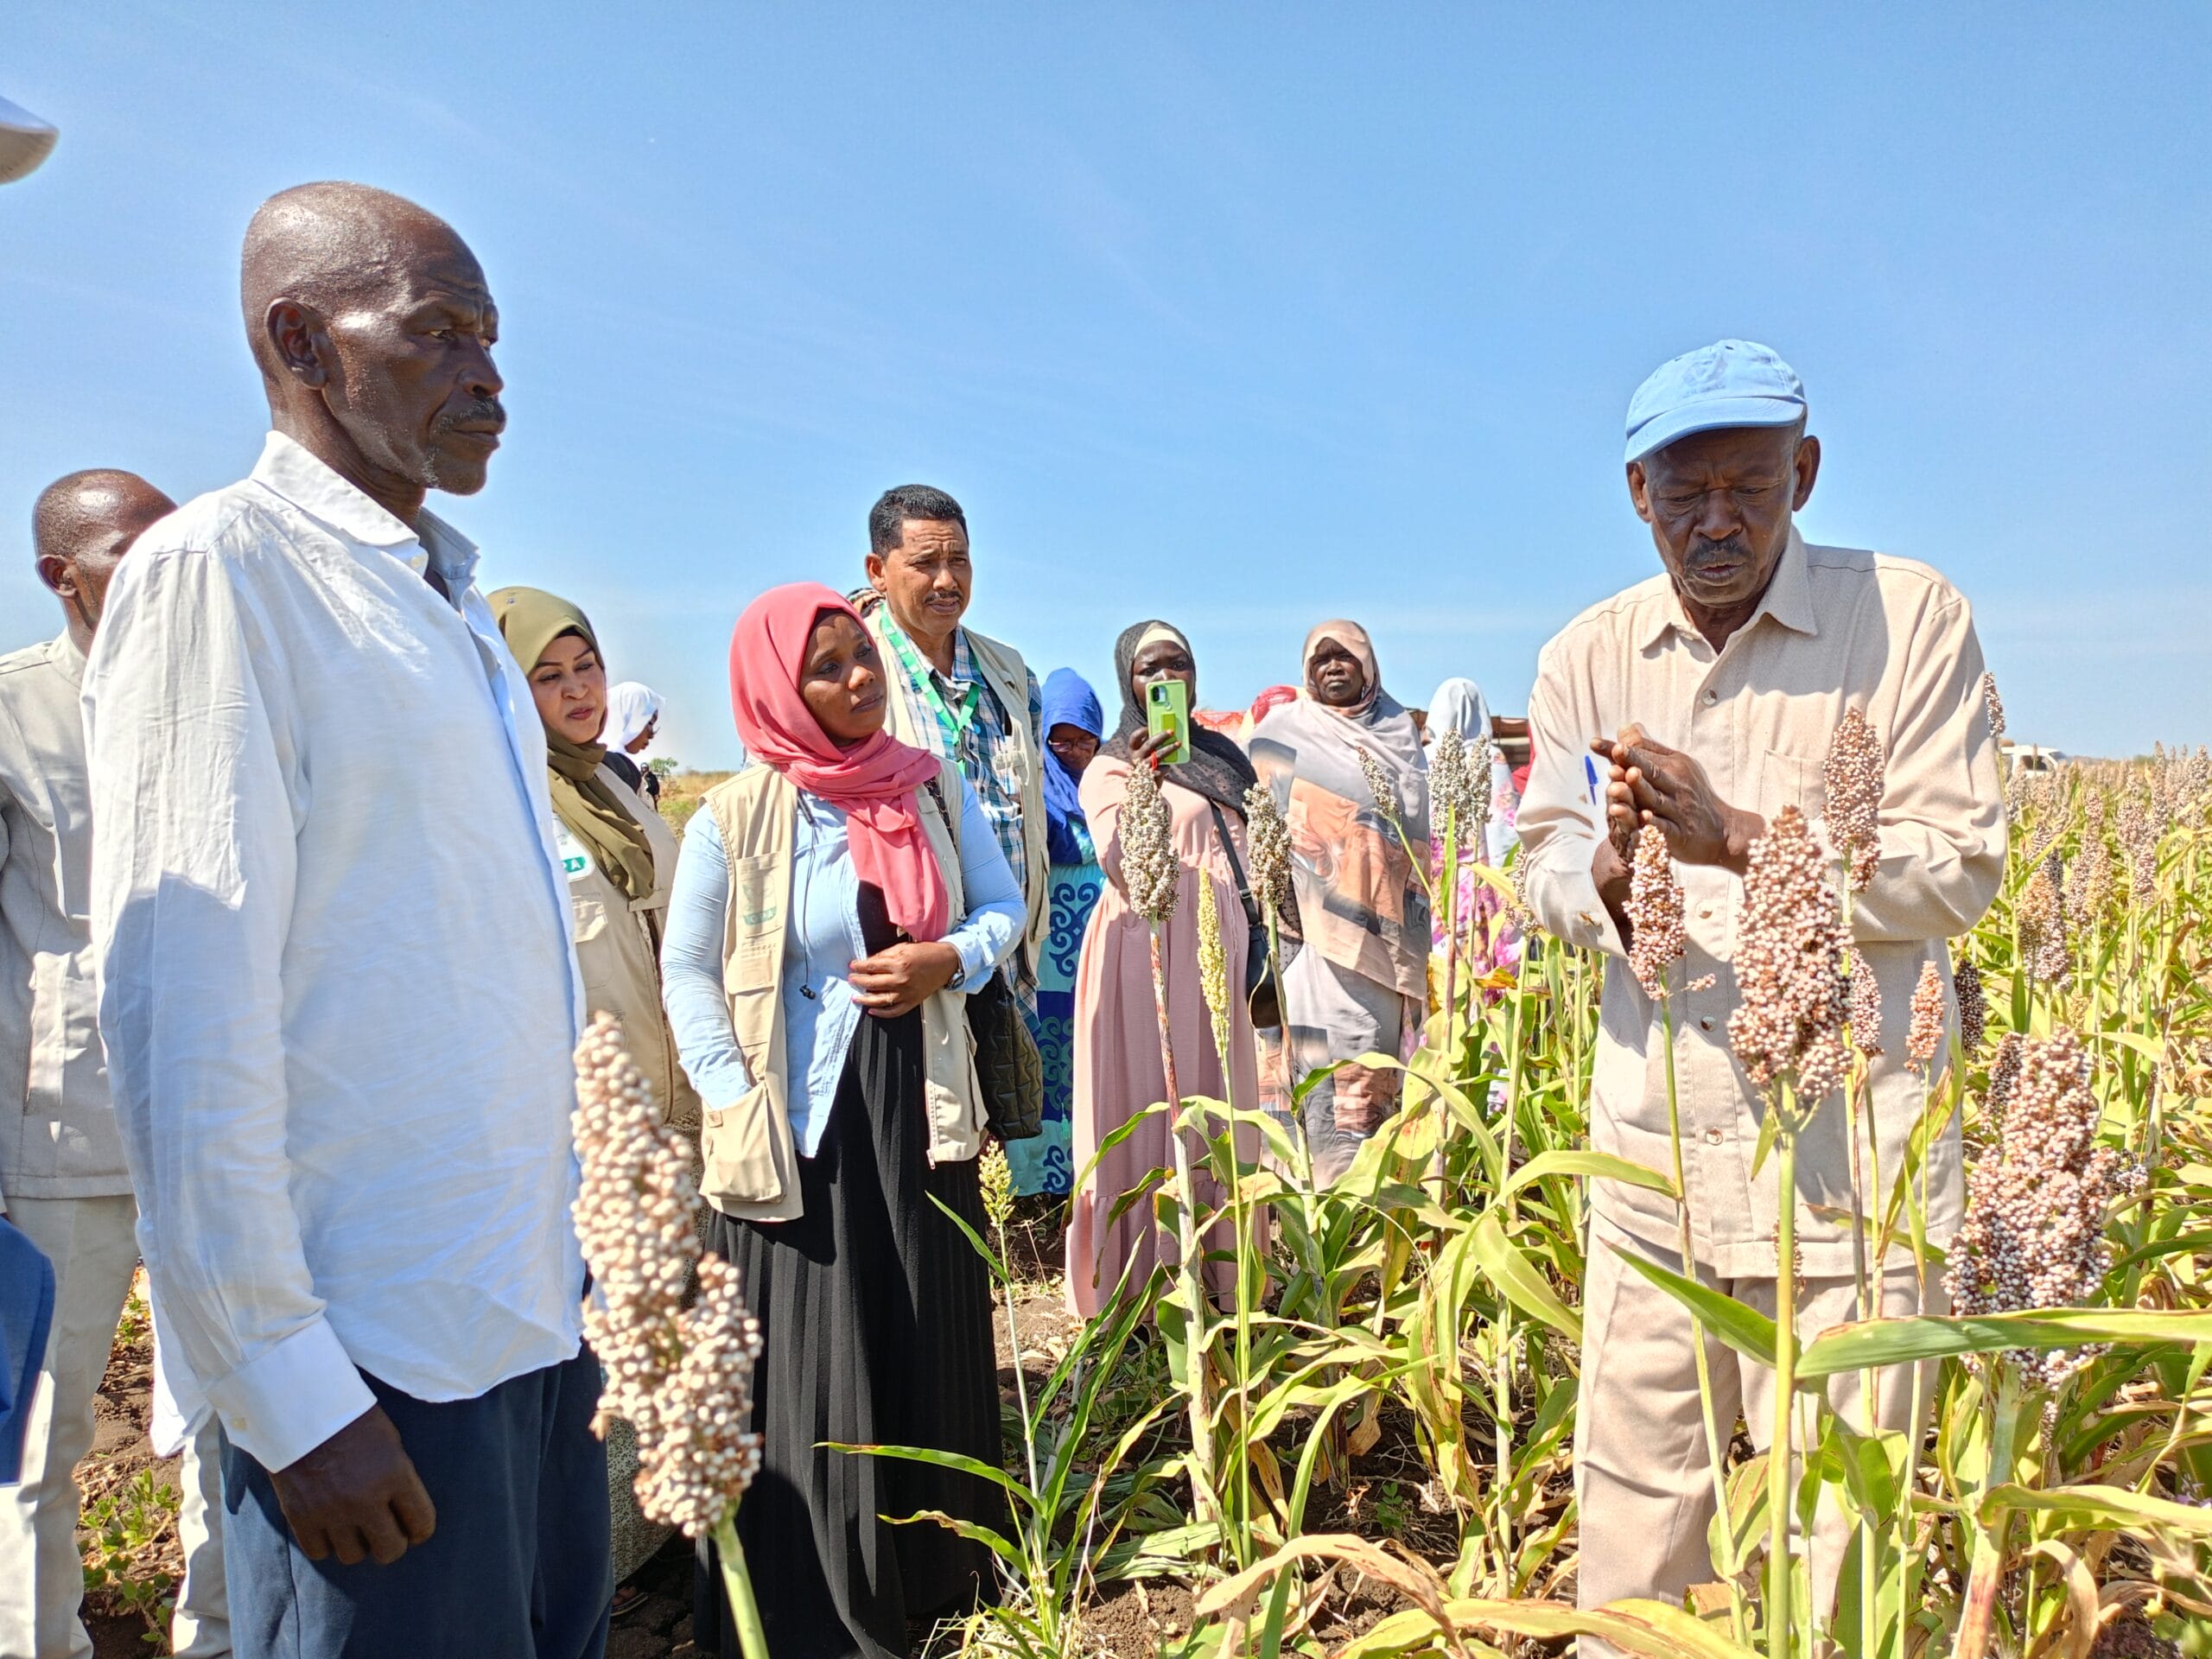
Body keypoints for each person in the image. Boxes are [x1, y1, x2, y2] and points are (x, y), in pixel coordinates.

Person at [82, 183, 609, 1659]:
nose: (488, 374)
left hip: (523, 1328)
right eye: (438, 332)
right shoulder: (223, 575)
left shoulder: (453, 612)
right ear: (302, 341)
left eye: (493, 336)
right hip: (371, 1378)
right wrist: (289, 1391)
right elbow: (181, 1018)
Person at [1517, 339, 2004, 1640]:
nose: (1716, 522)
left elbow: (1960, 864)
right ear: (1637, 494)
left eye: (1750, 486)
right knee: (1636, 1507)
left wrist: (1741, 839)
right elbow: (1540, 857)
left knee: (1845, 1522)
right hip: (1655, 1149)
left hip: (1856, 1158)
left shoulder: (1909, 619)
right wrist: (1614, 879)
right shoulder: (1587, 656)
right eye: (1685, 496)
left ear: (1807, 471)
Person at [660, 582, 1020, 1659]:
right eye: (826, 667)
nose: (858, 680)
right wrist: (733, 1098)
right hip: (800, 1121)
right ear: (778, 685)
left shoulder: (931, 787)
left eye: (861, 655)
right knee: (812, 1357)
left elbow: (1000, 910)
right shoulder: (739, 814)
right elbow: (686, 970)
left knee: (921, 1326)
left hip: (918, 1102)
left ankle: (933, 1580)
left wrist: (944, 958)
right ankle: (812, 1608)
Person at [1, 470, 231, 1659]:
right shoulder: (15, 712)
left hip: (210, 1126)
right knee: (39, 1434)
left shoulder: (214, 701)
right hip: (64, 1129)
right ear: (64, 574)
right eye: (135, 554)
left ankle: (225, 1637)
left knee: (230, 1409)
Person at [488, 588, 699, 1608]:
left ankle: (655, 1556)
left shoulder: (618, 786)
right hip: (581, 1127)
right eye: (548, 675)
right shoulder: (501, 796)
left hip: (672, 1107)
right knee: (605, 1357)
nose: (578, 692)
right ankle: (596, 1580)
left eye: (587, 669)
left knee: (671, 1340)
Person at [1065, 623, 1262, 1318]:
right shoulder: (1112, 768)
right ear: (1129, 681)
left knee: (1221, 1109)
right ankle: (1142, 1297)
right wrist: (1147, 787)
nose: (1166, 677)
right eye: (1151, 668)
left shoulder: (1223, 757)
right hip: (1143, 953)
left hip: (1219, 952)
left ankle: (1223, 1287)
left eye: (1178, 664)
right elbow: (1121, 861)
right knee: (1152, 1105)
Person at [1249, 623, 1431, 1184]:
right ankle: (1315, 1215)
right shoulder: (1279, 734)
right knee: (1314, 1078)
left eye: (1345, 657)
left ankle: (1369, 1223)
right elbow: (1264, 827)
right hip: (1311, 946)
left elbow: (1422, 839)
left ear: (1370, 667)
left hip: (1385, 955)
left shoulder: (1400, 735)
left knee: (1370, 1078)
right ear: (1306, 671)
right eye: (1321, 659)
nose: (1333, 667)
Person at [851, 486, 1047, 998]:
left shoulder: (1010, 672)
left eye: (958, 560)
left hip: (1010, 964)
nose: (946, 581)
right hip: (912, 970)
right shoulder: (855, 675)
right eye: (925, 563)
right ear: (878, 570)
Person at [1007, 669, 1109, 1198]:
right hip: (1048, 948)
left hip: (1101, 941)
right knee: (1046, 1053)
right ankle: (1040, 1180)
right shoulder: (1033, 786)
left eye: (1082, 738)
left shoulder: (1114, 780)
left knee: (1096, 1047)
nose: (1070, 750)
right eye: (1058, 739)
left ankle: (1097, 1172)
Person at [601, 680, 664, 804]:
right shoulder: (619, 768)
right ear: (628, 718)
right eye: (649, 722)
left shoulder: (590, 758)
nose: (651, 734)